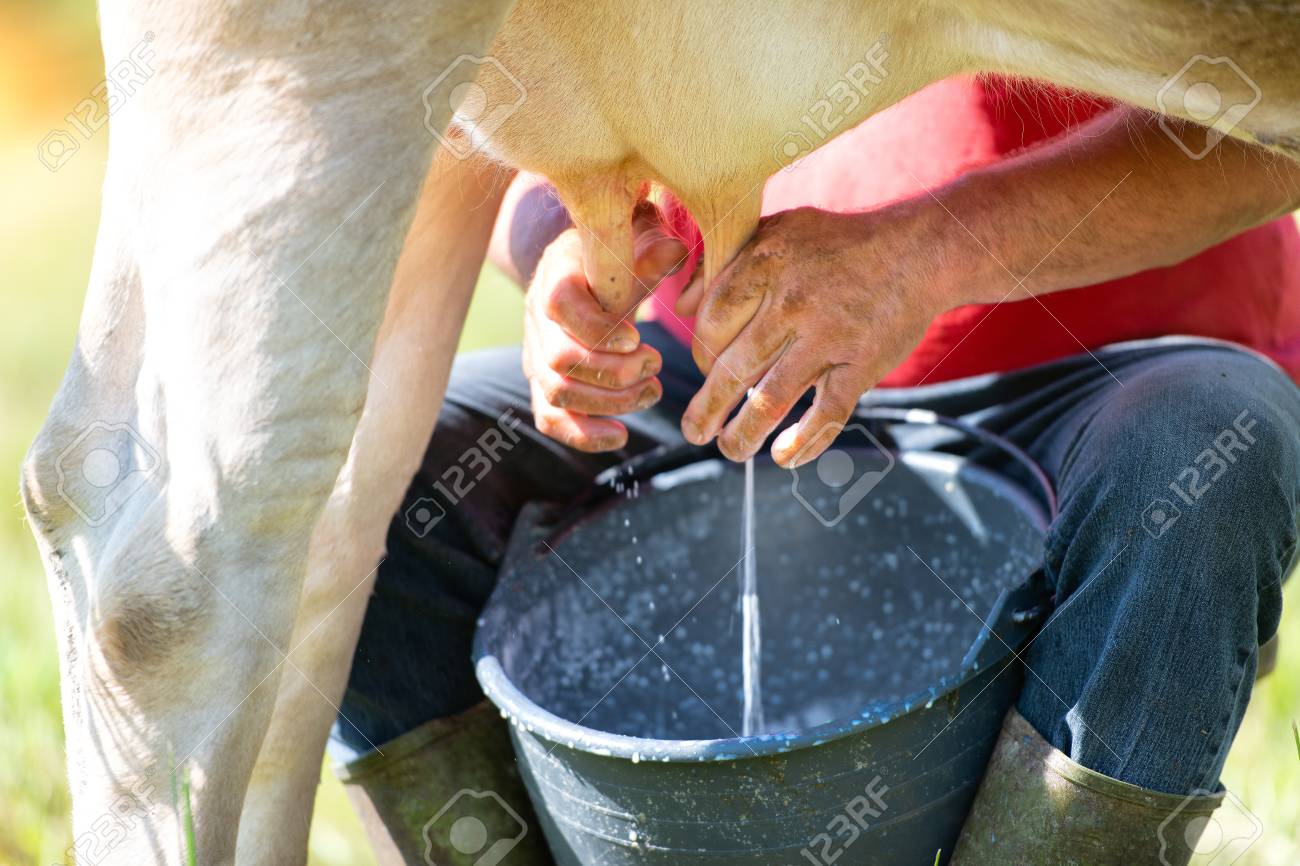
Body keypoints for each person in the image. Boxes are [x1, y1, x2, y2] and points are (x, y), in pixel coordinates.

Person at [328, 77, 1300, 865]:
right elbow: (491, 114)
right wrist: (563, 252)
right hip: (716, 369)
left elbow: (1278, 115)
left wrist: (919, 256)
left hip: (1106, 379)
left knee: (1214, 442)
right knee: (361, 480)